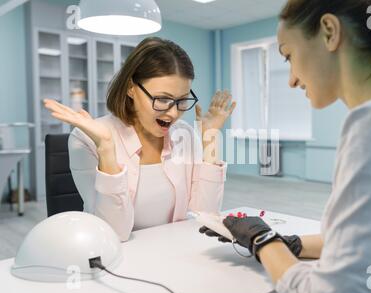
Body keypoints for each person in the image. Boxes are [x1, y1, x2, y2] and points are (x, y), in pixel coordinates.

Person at [201, 0, 371, 293]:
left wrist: (262, 240)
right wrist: (290, 243)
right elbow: (368, 241)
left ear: (330, 32)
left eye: (288, 56)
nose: (291, 79)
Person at [44, 37, 236, 242]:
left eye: (182, 101)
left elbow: (204, 218)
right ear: (131, 88)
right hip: (116, 260)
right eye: (162, 99)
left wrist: (210, 140)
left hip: (174, 254)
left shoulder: (185, 134)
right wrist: (106, 149)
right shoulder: (86, 139)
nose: (173, 113)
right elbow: (114, 233)